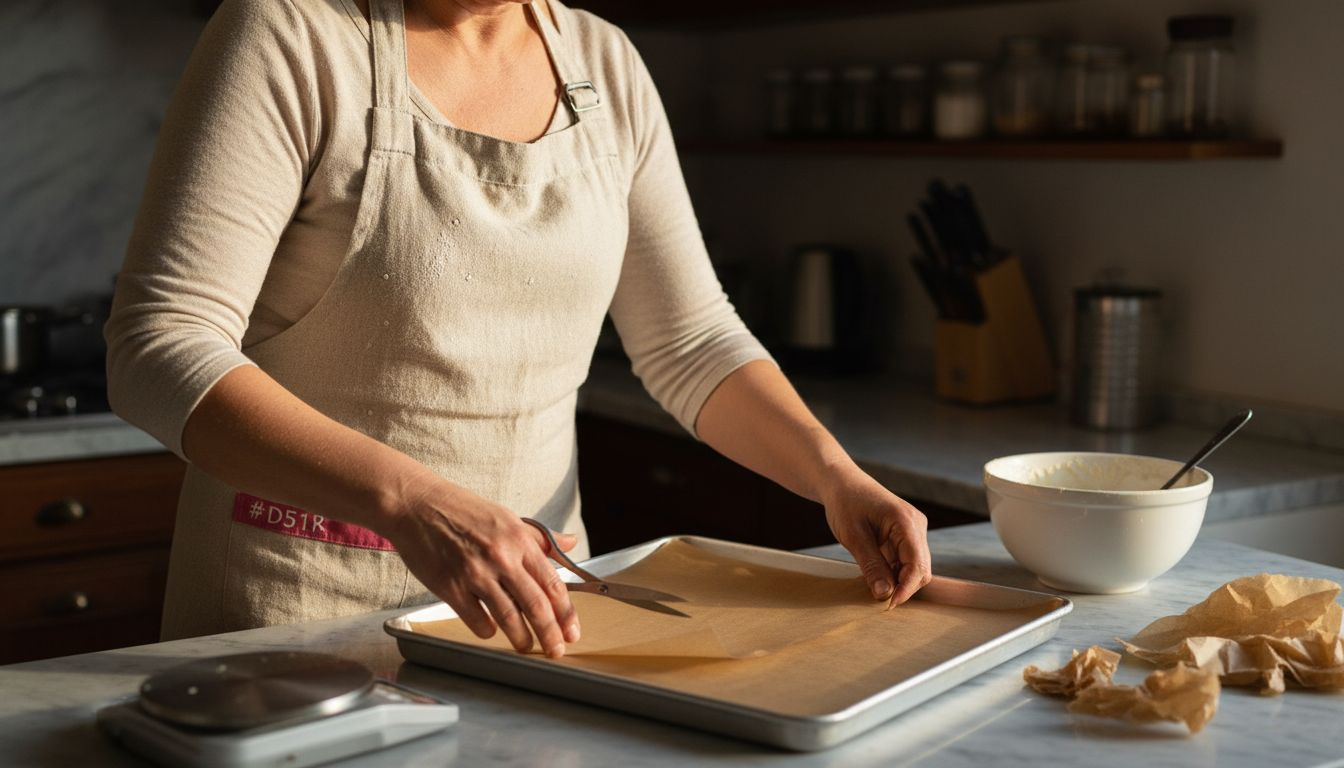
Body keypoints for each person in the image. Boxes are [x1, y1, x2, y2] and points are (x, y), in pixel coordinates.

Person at [105, 0, 932, 658]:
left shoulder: (605, 62)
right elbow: (159, 343)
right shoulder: (291, 33)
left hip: (536, 611)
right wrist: (416, 502)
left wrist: (833, 476)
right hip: (295, 612)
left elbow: (691, 341)